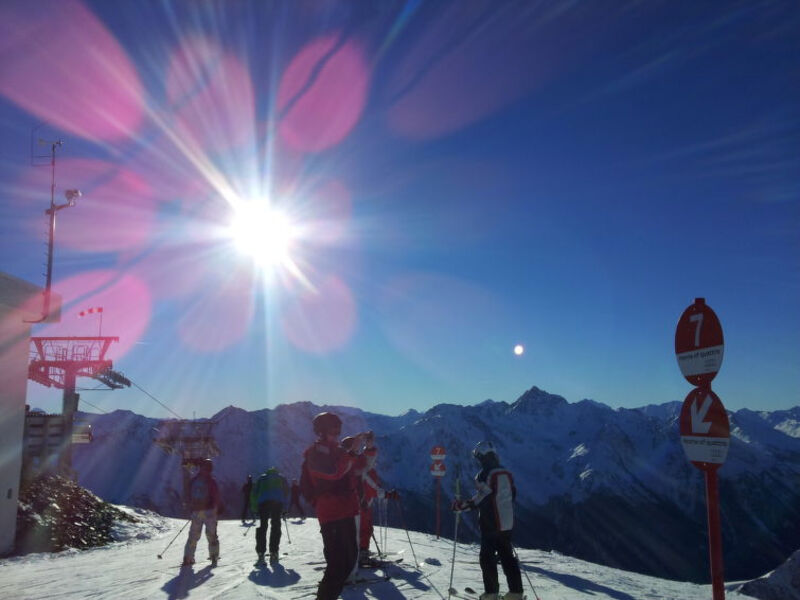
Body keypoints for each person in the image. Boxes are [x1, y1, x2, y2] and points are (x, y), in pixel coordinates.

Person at [302, 412, 367, 600]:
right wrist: (352, 453)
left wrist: (367, 449)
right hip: (331, 513)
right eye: (332, 430)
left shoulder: (338, 451)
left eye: (338, 430)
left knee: (348, 561)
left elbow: (359, 468)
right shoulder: (314, 454)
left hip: (347, 510)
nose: (336, 434)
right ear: (321, 432)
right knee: (338, 565)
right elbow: (333, 472)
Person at [451, 441, 523, 600]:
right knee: (507, 556)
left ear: (482, 456)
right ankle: (516, 592)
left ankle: (491, 593)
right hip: (507, 522)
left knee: (487, 557)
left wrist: (462, 506)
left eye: (478, 457)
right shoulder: (506, 473)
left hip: (491, 523)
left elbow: (482, 498)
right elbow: (513, 495)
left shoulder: (484, 474)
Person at [182, 458, 222, 567]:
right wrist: (218, 507)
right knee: (212, 535)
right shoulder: (211, 481)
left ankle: (188, 557)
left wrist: (191, 508)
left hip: (196, 511)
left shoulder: (194, 480)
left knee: (193, 535)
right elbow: (216, 496)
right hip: (209, 511)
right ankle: (214, 556)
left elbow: (188, 495)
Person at [250, 467, 289, 565]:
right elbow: (287, 493)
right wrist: (285, 509)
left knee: (263, 527)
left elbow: (254, 494)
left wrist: (255, 509)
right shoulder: (281, 478)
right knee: (276, 526)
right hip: (277, 503)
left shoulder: (261, 478)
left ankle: (261, 553)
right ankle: (274, 553)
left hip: (263, 504)